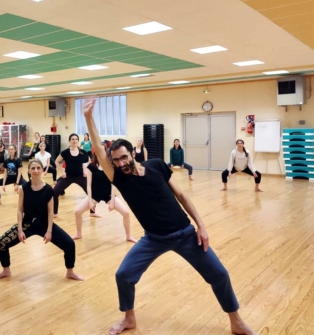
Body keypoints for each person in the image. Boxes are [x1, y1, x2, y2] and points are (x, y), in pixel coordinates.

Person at [83, 98, 256, 335]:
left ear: (132, 153)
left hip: (185, 234)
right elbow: (98, 148)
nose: (121, 163)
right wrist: (88, 117)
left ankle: (236, 321)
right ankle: (129, 319)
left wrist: (201, 226)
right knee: (124, 275)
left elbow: (182, 195)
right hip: (153, 238)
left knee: (219, 274)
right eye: (116, 160)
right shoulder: (119, 177)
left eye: (124, 157)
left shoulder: (156, 166)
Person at [0, 159, 83, 281]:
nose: (35, 171)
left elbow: (51, 212)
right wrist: (20, 230)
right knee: (1, 243)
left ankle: (70, 272)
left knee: (69, 244)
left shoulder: (48, 189)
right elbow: (19, 210)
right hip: (27, 224)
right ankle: (6, 270)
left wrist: (49, 231)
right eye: (33, 168)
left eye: (38, 168)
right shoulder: (23, 188)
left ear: (41, 170)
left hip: (45, 223)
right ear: (29, 171)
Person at [71, 144, 137, 243]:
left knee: (126, 213)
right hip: (94, 195)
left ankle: (128, 236)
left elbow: (113, 183)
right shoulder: (91, 166)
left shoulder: (111, 166)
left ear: (106, 152)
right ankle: (78, 233)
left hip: (109, 195)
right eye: (98, 149)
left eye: (103, 150)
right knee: (77, 212)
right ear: (95, 151)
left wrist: (113, 201)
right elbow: (88, 185)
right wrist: (89, 201)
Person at [53, 133, 95, 218]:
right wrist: (62, 171)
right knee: (54, 192)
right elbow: (56, 161)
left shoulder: (83, 153)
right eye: (72, 139)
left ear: (78, 141)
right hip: (68, 176)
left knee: (92, 193)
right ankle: (54, 213)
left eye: (76, 139)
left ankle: (93, 212)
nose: (74, 140)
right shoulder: (65, 152)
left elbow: (88, 162)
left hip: (80, 176)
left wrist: (85, 170)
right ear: (69, 141)